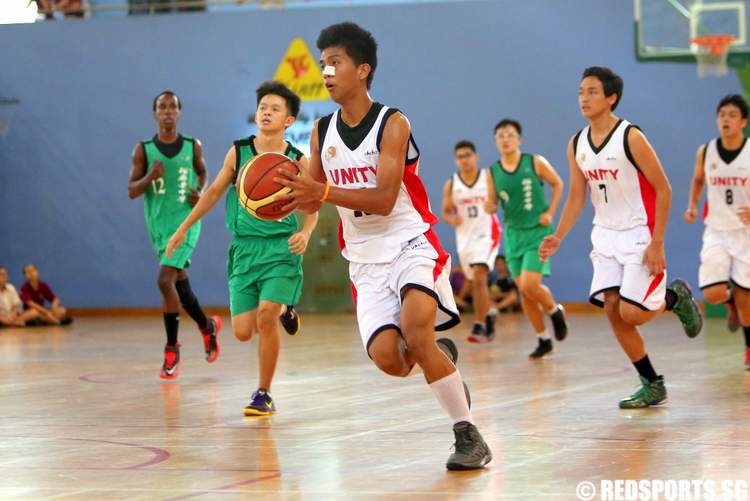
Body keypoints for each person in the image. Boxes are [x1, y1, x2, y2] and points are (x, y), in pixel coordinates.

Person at [275, 22, 492, 470]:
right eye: (322, 65)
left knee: (416, 333)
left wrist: (323, 193)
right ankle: (441, 357)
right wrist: (278, 199)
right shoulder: (320, 131)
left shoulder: (393, 123)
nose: (327, 72)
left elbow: (384, 198)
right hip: (364, 261)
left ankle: (468, 436)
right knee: (392, 361)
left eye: (335, 62)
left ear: (363, 69)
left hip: (410, 243)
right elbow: (312, 190)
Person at [539, 66, 703, 408]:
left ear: (611, 98)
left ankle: (676, 298)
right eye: (581, 91)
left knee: (633, 313)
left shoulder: (630, 137)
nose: (584, 98)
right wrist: (559, 235)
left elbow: (664, 188)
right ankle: (651, 382)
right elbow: (575, 197)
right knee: (613, 310)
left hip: (639, 233)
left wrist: (658, 241)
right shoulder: (577, 143)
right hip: (605, 236)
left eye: (592, 92)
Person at [166, 81, 318, 416]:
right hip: (244, 251)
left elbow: (313, 207)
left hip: (281, 249)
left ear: (290, 120)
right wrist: (183, 227)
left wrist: (306, 233)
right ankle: (286, 308)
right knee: (243, 331)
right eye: (263, 106)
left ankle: (264, 393)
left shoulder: (297, 161)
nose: (266, 111)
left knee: (266, 317)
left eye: (275, 108)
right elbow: (213, 192)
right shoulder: (238, 152)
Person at [128, 91, 221, 380]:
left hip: (186, 222)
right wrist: (149, 178)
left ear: (179, 113)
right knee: (180, 287)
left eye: (172, 106)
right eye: (162, 106)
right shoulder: (143, 150)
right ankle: (207, 326)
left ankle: (171, 348)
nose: (167, 111)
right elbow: (132, 190)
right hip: (159, 225)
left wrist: (200, 191)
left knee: (164, 280)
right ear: (155, 113)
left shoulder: (193, 146)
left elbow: (203, 173)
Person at [485, 119, 568, 358]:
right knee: (525, 291)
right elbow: (492, 203)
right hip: (513, 236)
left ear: (519, 139)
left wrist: (550, 212)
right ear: (496, 141)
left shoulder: (535, 162)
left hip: (537, 232)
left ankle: (554, 311)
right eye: (500, 135)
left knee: (530, 285)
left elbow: (558, 184)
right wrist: (489, 206)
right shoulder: (493, 172)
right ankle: (543, 339)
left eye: (510, 135)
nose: (505, 139)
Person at [684, 94, 750, 369]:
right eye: (722, 114)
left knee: (748, 301)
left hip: (745, 233)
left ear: (743, 121)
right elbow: (698, 180)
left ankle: (748, 349)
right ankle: (729, 302)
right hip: (716, 230)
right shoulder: (706, 151)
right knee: (712, 294)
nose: (725, 119)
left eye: (732, 114)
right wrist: (692, 206)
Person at [442, 140, 501, 343]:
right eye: (460, 156)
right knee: (476, 281)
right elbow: (445, 212)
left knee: (479, 277)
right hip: (465, 238)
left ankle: (479, 324)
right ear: (455, 160)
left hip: (487, 233)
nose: (464, 159)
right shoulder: (452, 183)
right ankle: (490, 312)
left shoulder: (487, 177)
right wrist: (452, 219)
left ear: (476, 156)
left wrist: (492, 206)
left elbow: (495, 202)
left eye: (468, 155)